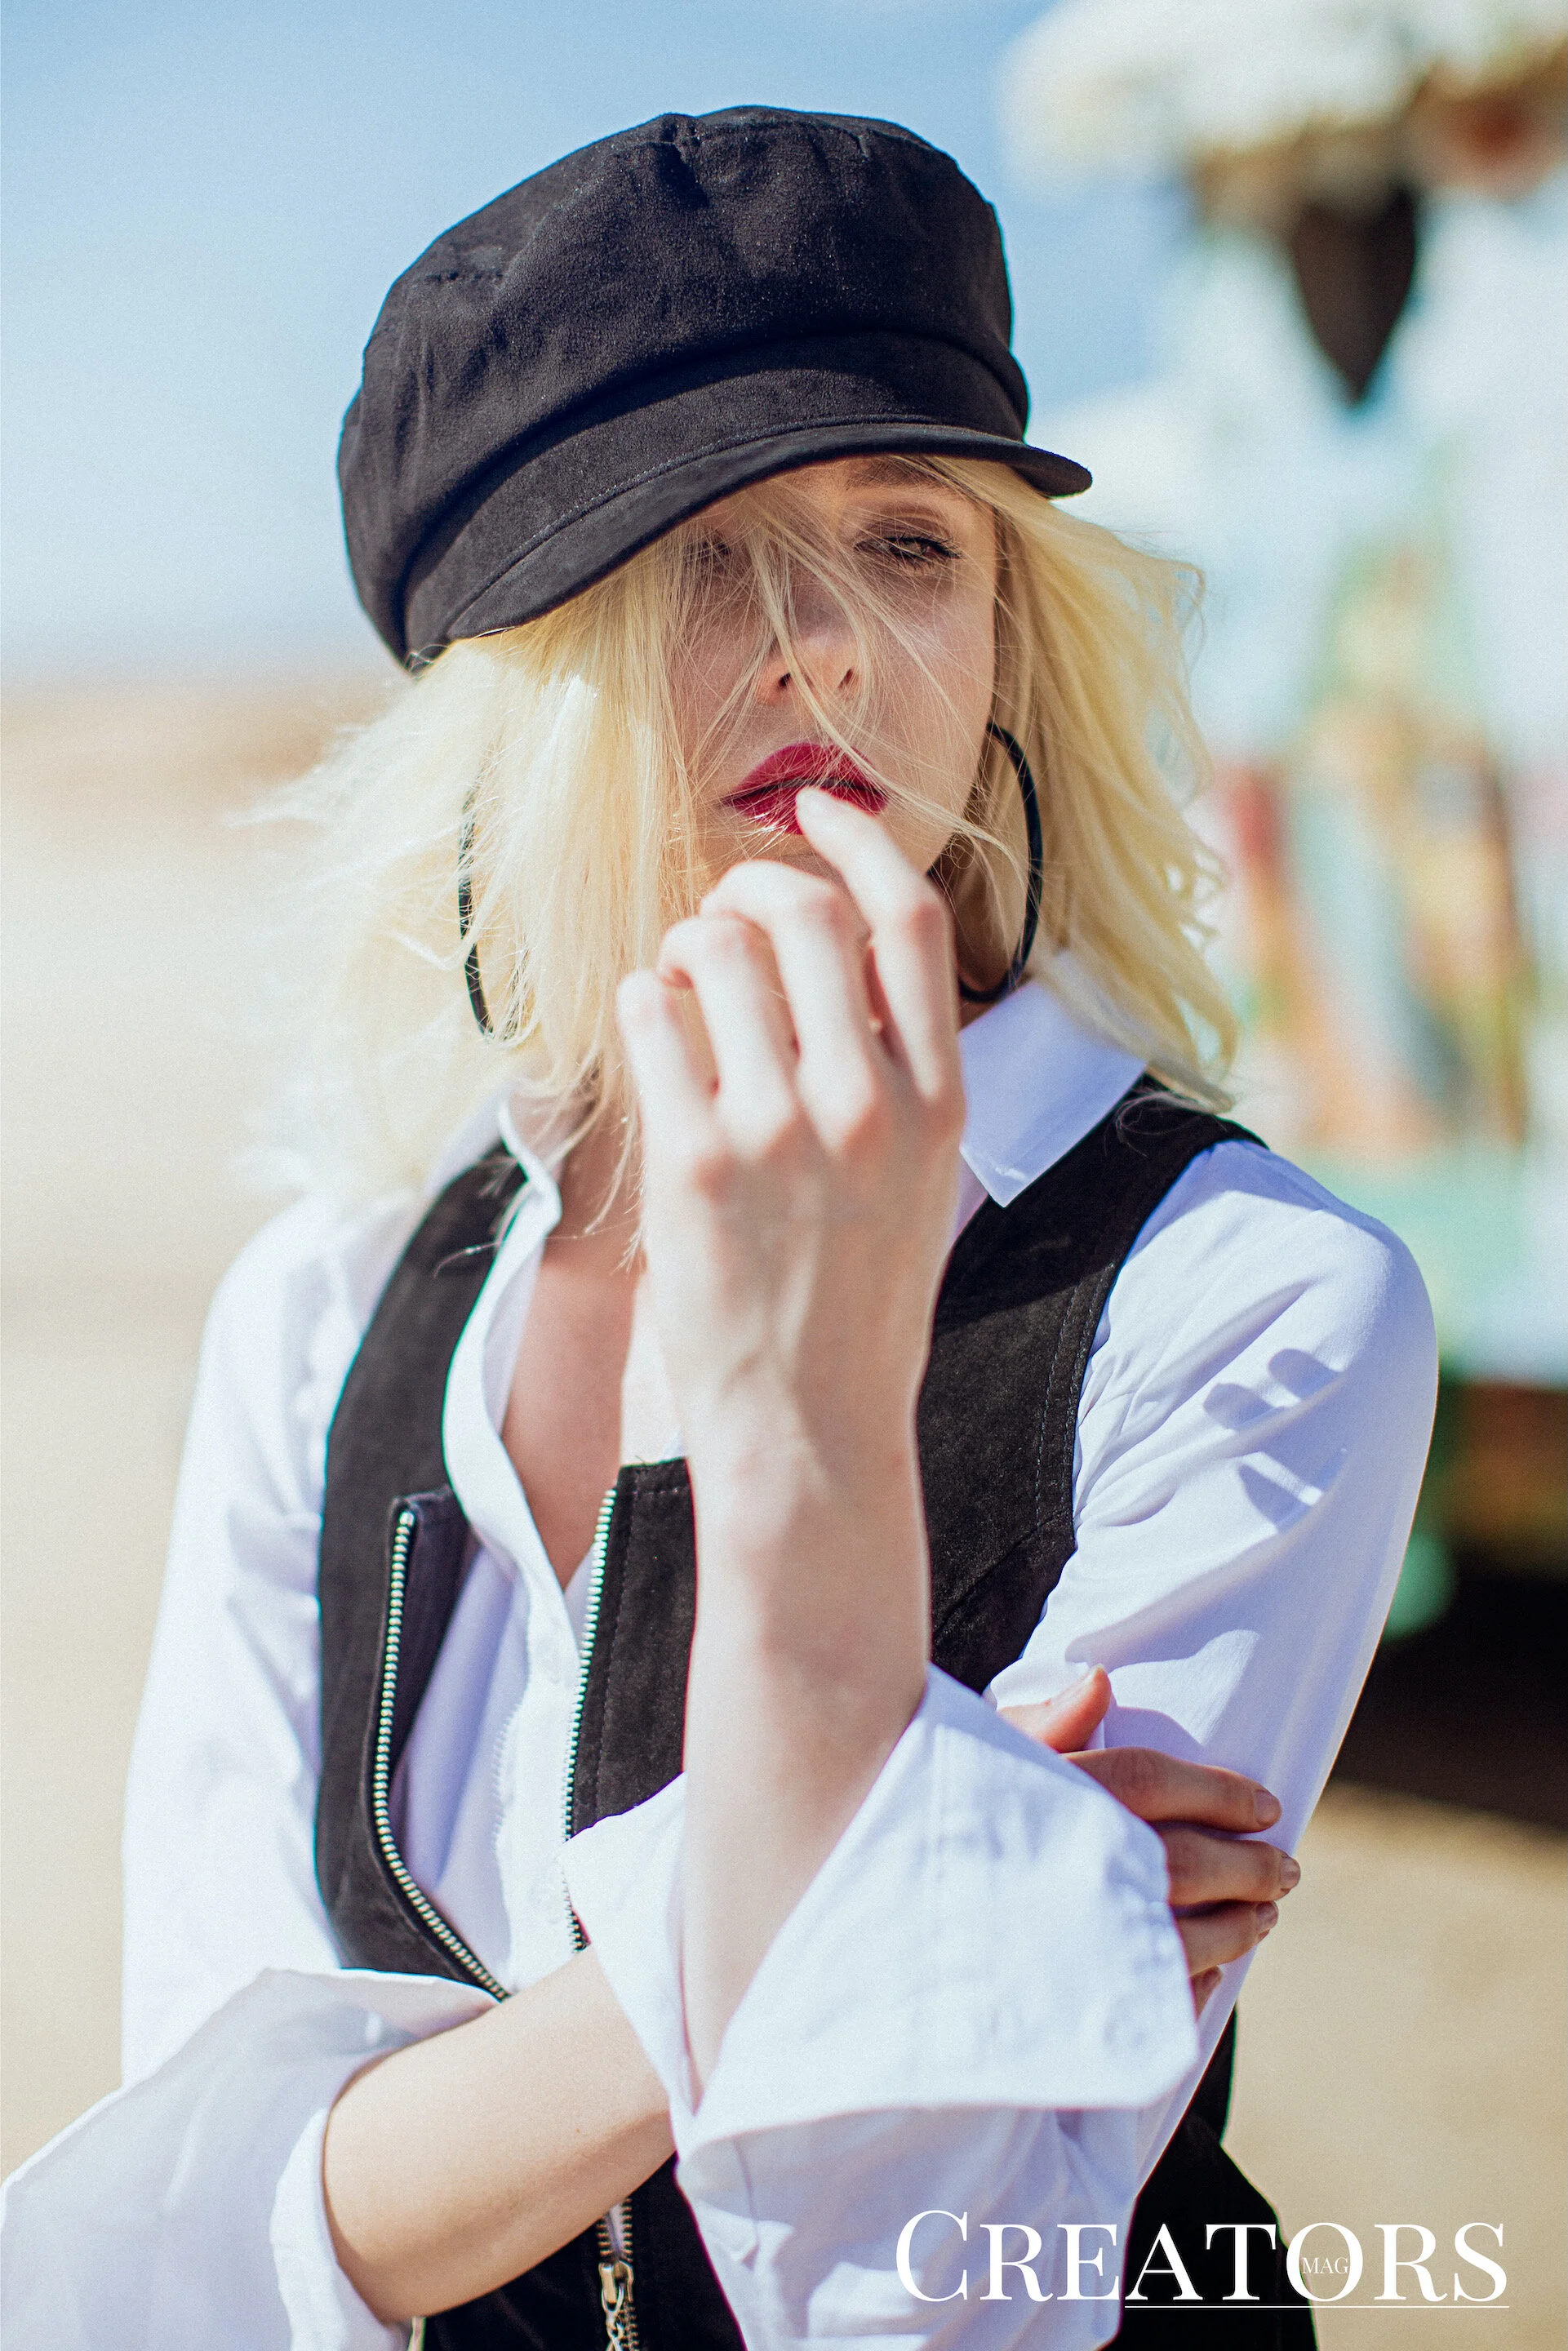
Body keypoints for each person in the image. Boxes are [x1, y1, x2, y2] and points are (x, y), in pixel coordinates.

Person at [0, 109, 1437, 2351]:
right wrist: (869, 1895)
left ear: (1009, 621)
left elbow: (941, 2292)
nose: (826, 649)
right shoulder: (331, 1314)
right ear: (506, 693)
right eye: (687, 555)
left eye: (907, 538)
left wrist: (801, 1444)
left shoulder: (1244, 1298)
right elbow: (189, 2262)